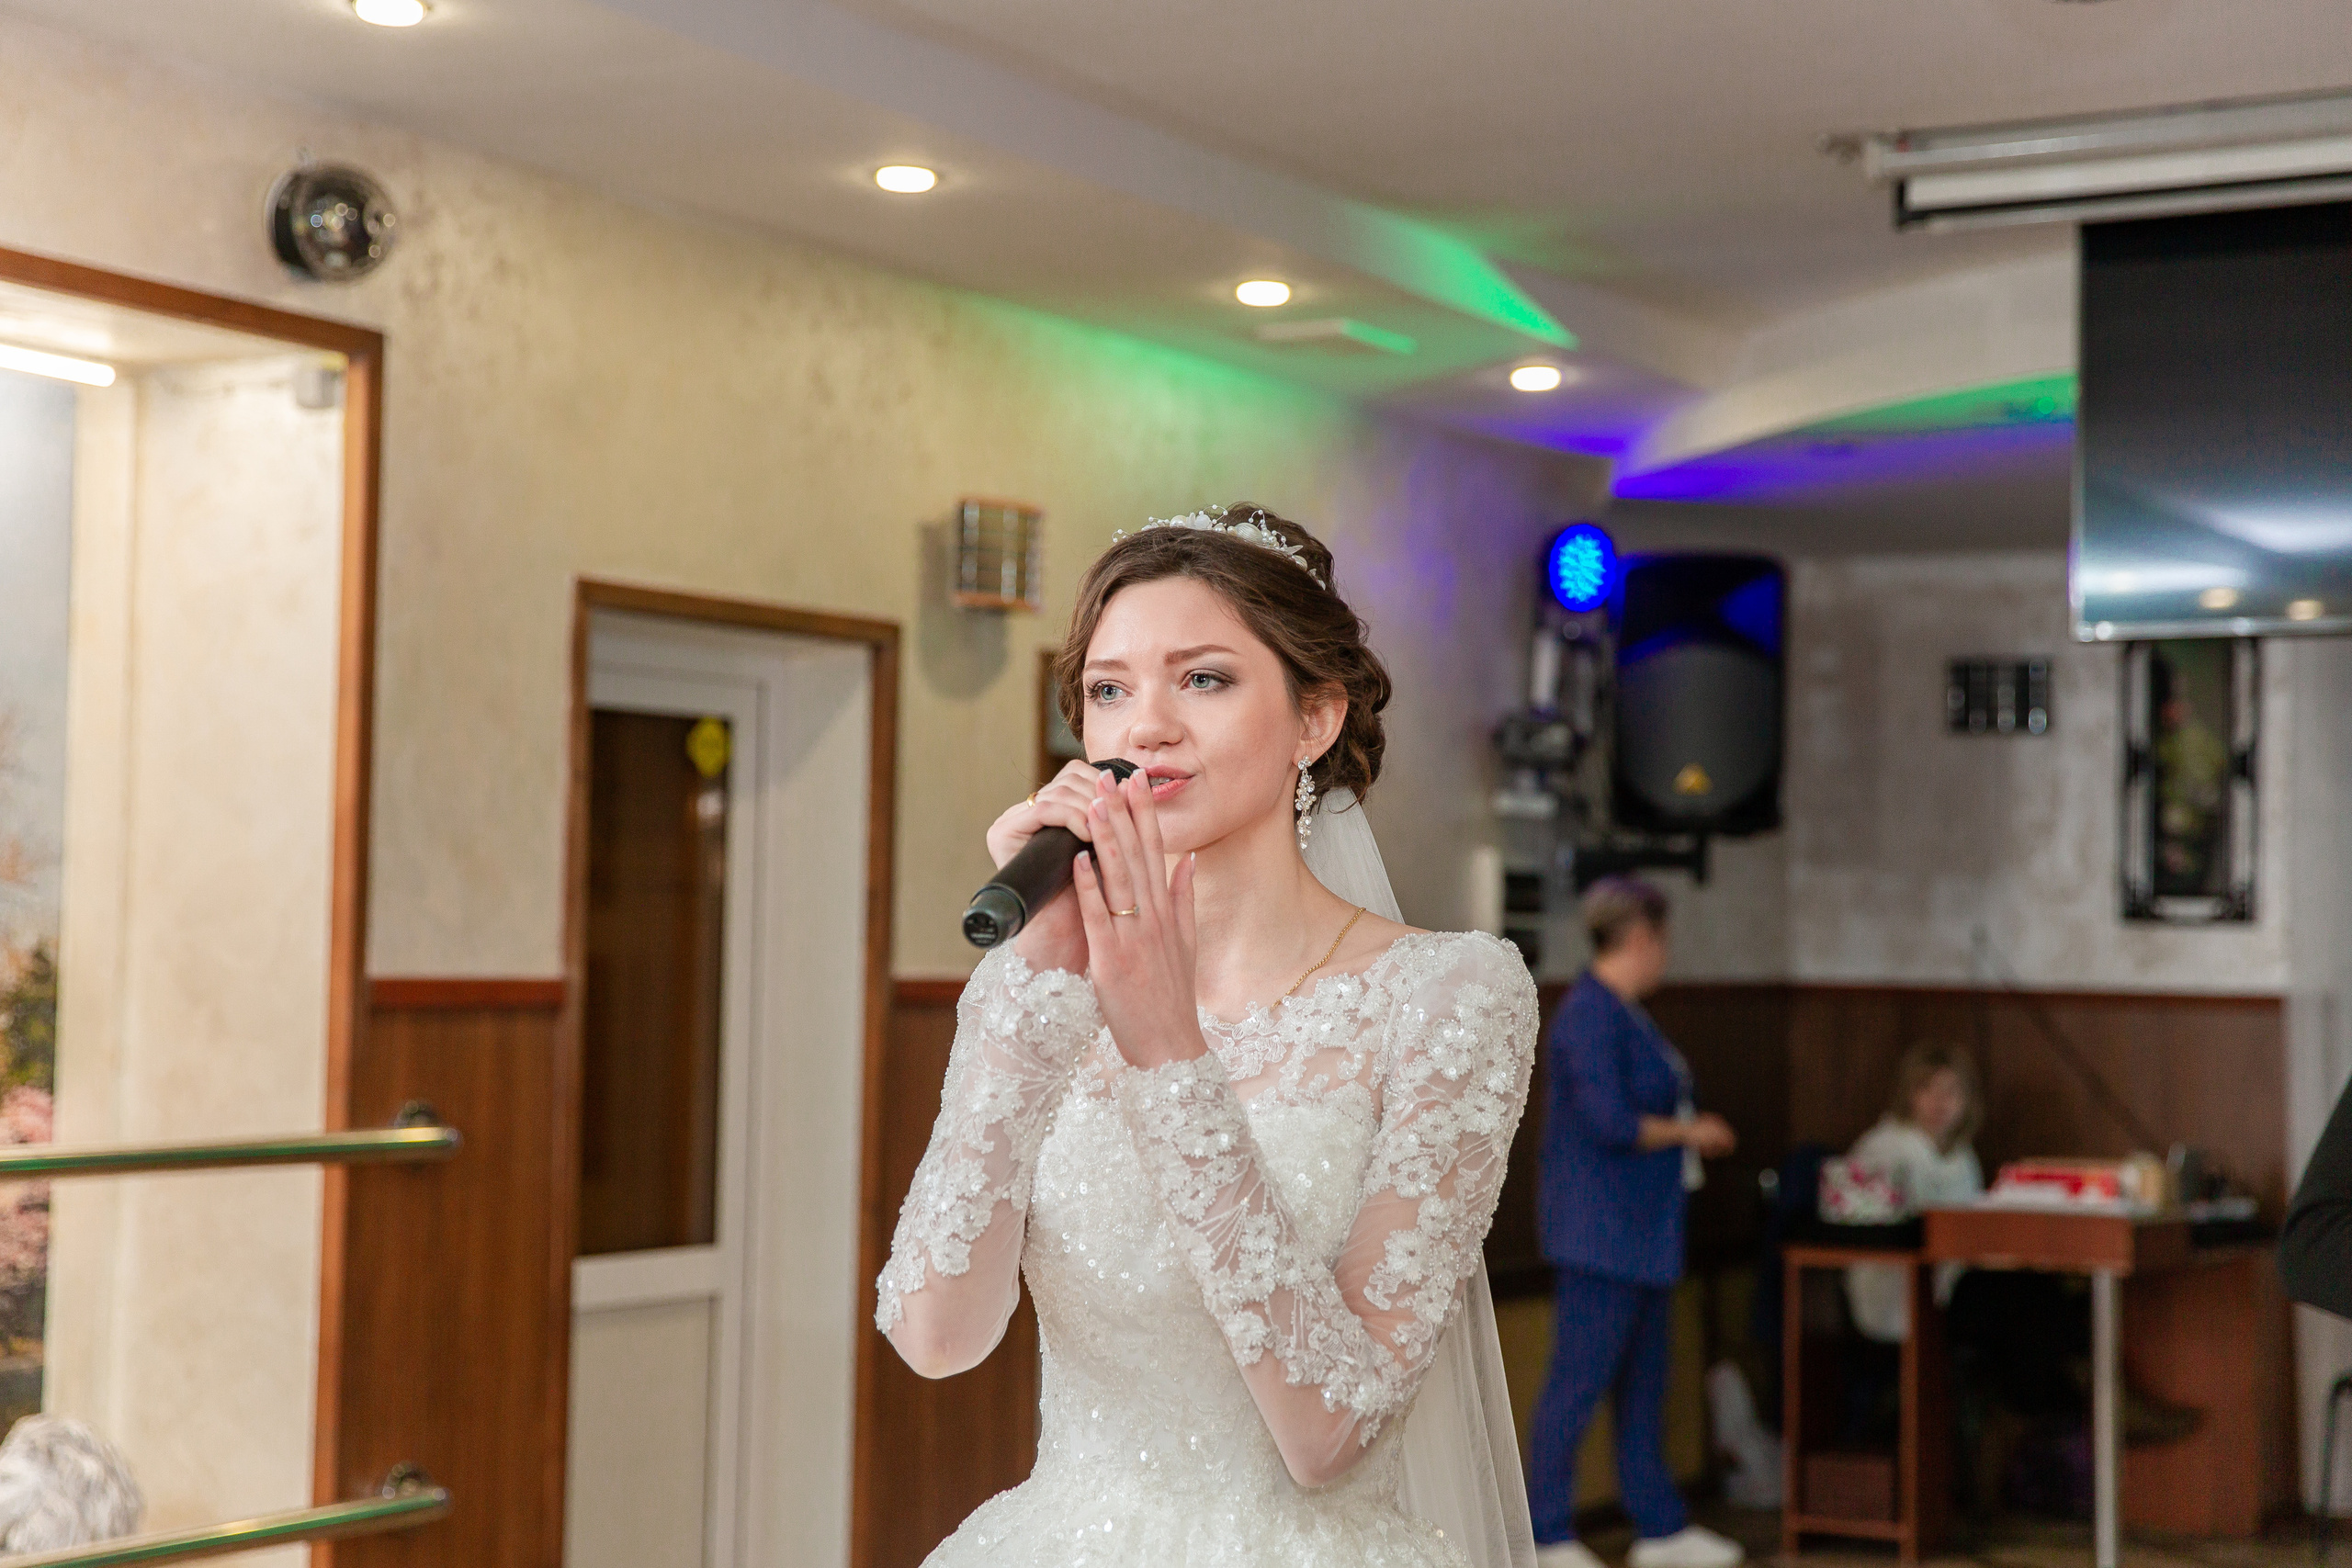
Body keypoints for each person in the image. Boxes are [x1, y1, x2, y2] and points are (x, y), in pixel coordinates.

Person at [876, 505, 1542, 1567]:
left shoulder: (1449, 996)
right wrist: (1034, 984)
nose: (1146, 727)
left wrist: (1165, 1049)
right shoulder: (1043, 994)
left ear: (1314, 719)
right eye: (1108, 689)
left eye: (1203, 679)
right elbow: (935, 1340)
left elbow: (1330, 1433)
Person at [1528, 877, 1743, 1568]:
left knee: (1647, 1384)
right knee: (1578, 1382)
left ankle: (1659, 1523)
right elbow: (1608, 1121)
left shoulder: (1628, 1013)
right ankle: (1546, 1530)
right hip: (1600, 1232)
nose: (1665, 955)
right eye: (1662, 940)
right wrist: (1689, 1132)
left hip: (1645, 1229)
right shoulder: (1588, 1014)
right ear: (1641, 938)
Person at [1841, 1044, 1984, 1344]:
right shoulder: (1884, 1148)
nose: (1939, 1103)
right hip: (1895, 1287)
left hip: (1949, 1280)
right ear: (1908, 1095)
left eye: (1951, 1092)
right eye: (1926, 1090)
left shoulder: (1962, 1157)